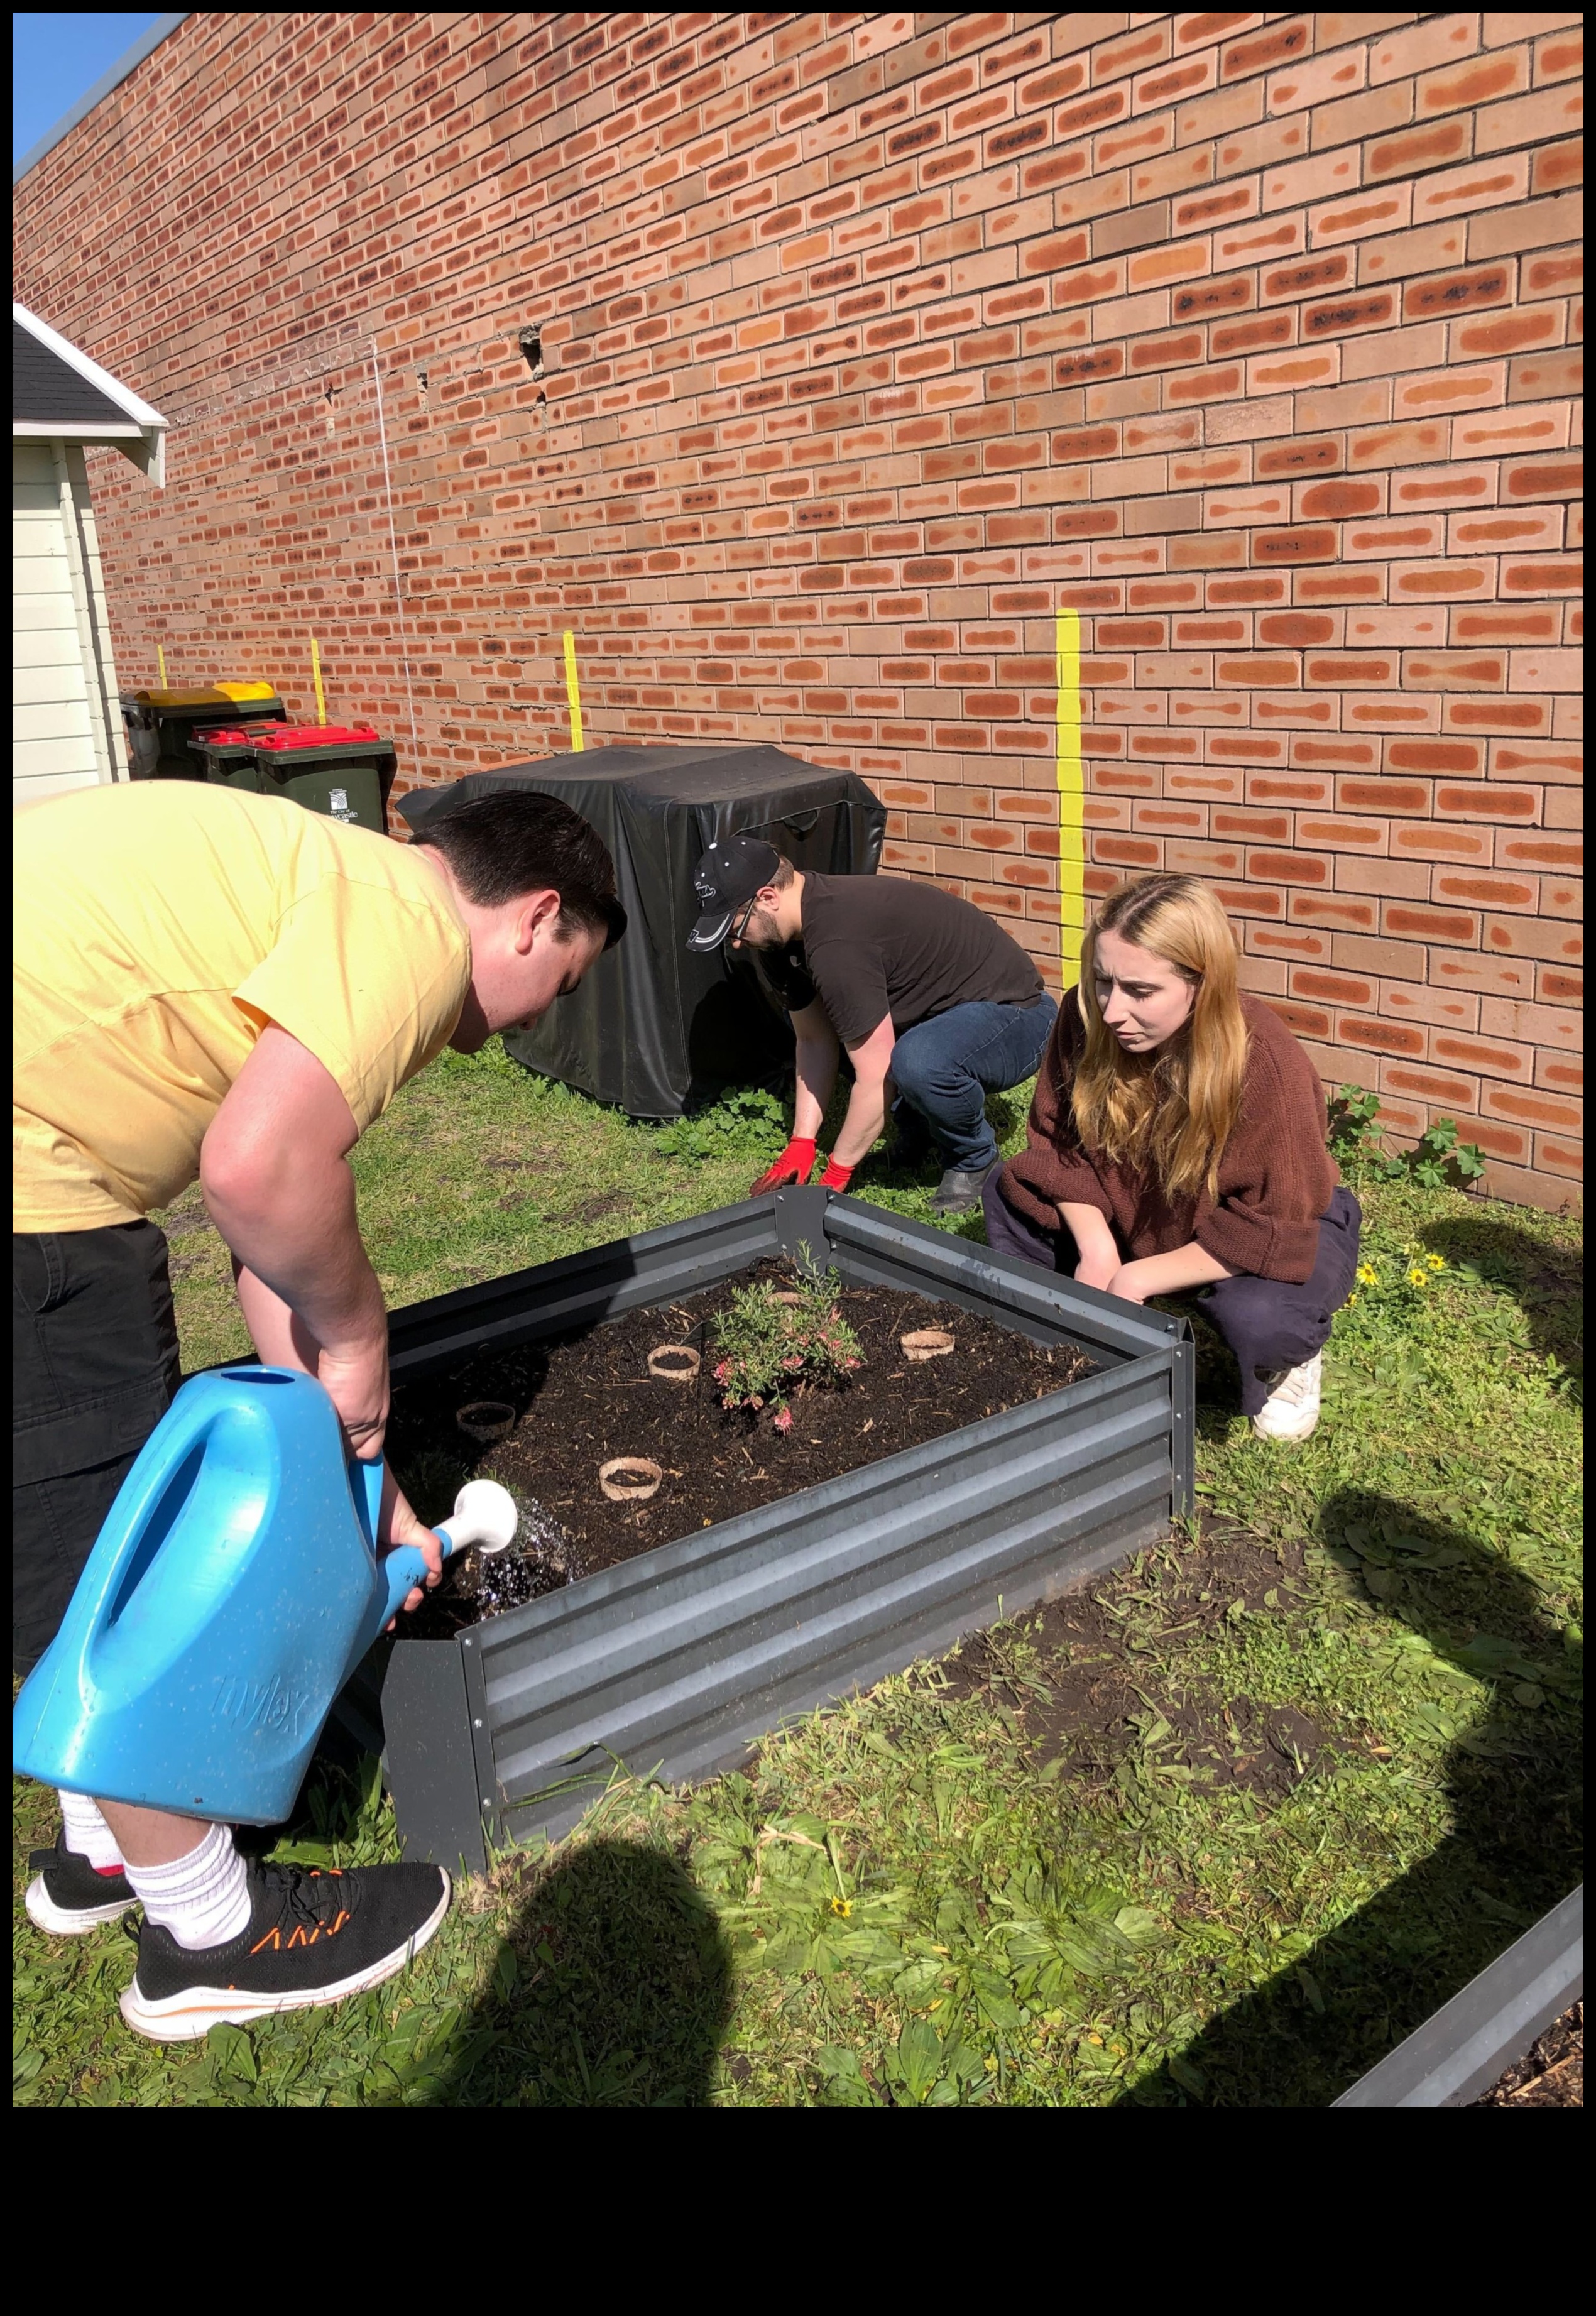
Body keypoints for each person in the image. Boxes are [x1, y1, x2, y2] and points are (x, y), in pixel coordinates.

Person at [14, 780, 623, 2038]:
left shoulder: (321, 884)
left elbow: (265, 1240)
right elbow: (256, 1171)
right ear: (532, 917)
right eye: (562, 985)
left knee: (80, 1541)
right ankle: (211, 1934)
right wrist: (358, 1336)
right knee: (112, 1573)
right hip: (31, 1207)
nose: (523, 1029)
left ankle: (105, 1847)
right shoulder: (400, 923)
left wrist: (372, 1488)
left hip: (45, 1168)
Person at [984, 872, 1359, 1443]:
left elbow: (1275, 1220)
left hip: (1275, 1221)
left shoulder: (1266, 1063)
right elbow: (1057, 1146)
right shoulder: (1086, 1017)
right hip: (1139, 1203)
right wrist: (1097, 1247)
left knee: (1262, 1319)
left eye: (1140, 991)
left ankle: (1287, 1365)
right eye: (1104, 980)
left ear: (1201, 984)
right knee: (1009, 1193)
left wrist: (1137, 1277)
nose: (1112, 1011)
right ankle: (1064, 1318)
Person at [686, 836, 1058, 1214]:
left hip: (1016, 1016)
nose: (735, 943)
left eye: (735, 928)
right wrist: (802, 1142)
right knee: (845, 1022)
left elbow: (877, 1070)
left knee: (919, 1061)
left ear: (768, 897)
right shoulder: (778, 939)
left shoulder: (837, 941)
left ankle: (973, 1158)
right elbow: (815, 1039)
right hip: (941, 1016)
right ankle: (922, 1130)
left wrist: (836, 1174)